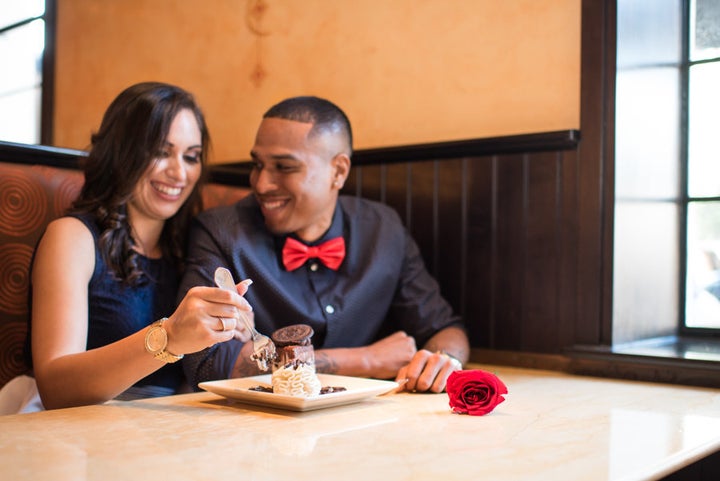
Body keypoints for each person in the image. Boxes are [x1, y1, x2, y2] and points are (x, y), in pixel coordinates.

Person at [181, 96, 469, 393]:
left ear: (339, 171)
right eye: (258, 164)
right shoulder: (220, 232)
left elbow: (443, 328)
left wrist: (445, 361)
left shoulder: (384, 229)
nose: (262, 183)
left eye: (284, 167)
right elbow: (205, 363)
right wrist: (365, 360)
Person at [27, 82, 252, 410]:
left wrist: (230, 329)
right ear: (121, 152)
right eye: (161, 152)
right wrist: (169, 338)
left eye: (191, 157)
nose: (179, 172)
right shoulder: (72, 238)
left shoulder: (192, 245)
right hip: (79, 424)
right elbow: (55, 388)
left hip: (168, 426)